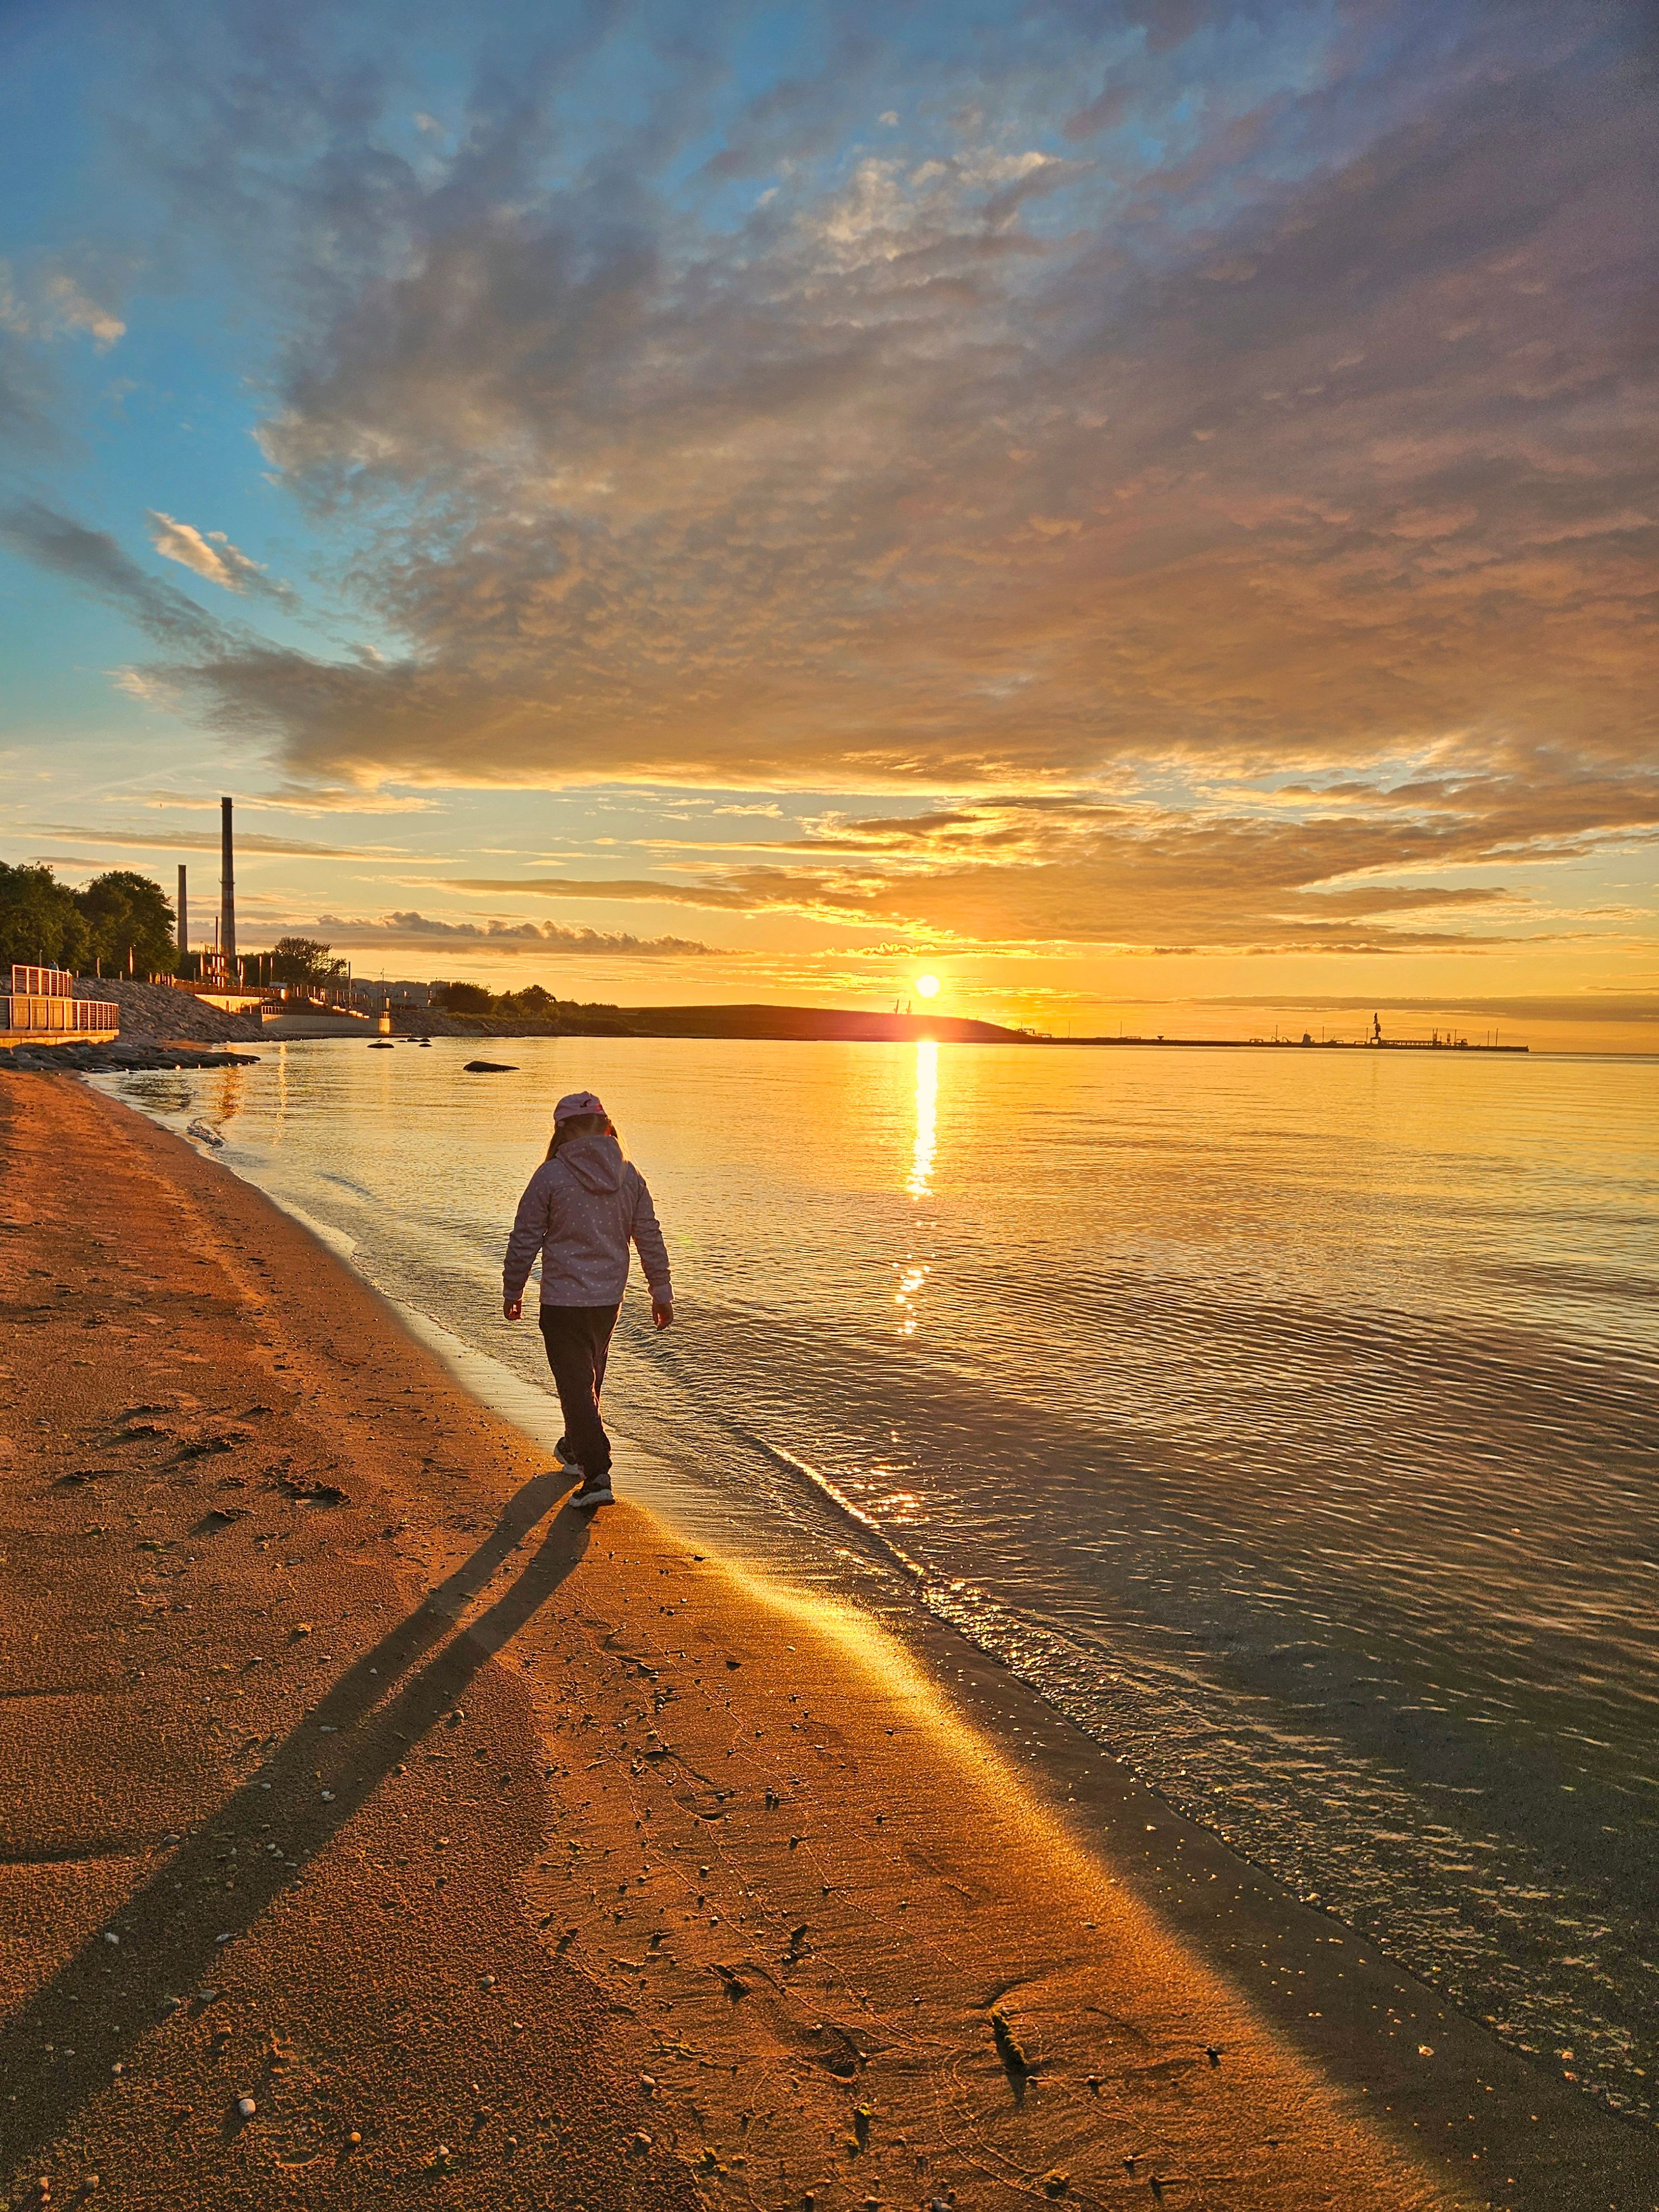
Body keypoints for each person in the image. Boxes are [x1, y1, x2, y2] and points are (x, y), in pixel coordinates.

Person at [502, 1090, 674, 1509]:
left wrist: (513, 1287)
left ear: (562, 1131)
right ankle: (575, 1449)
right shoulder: (629, 1175)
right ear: (606, 1127)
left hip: (562, 1302)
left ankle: (597, 1474)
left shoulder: (551, 1175)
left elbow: (525, 1237)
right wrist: (661, 1290)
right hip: (607, 1300)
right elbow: (648, 1234)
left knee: (576, 1386)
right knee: (587, 1381)